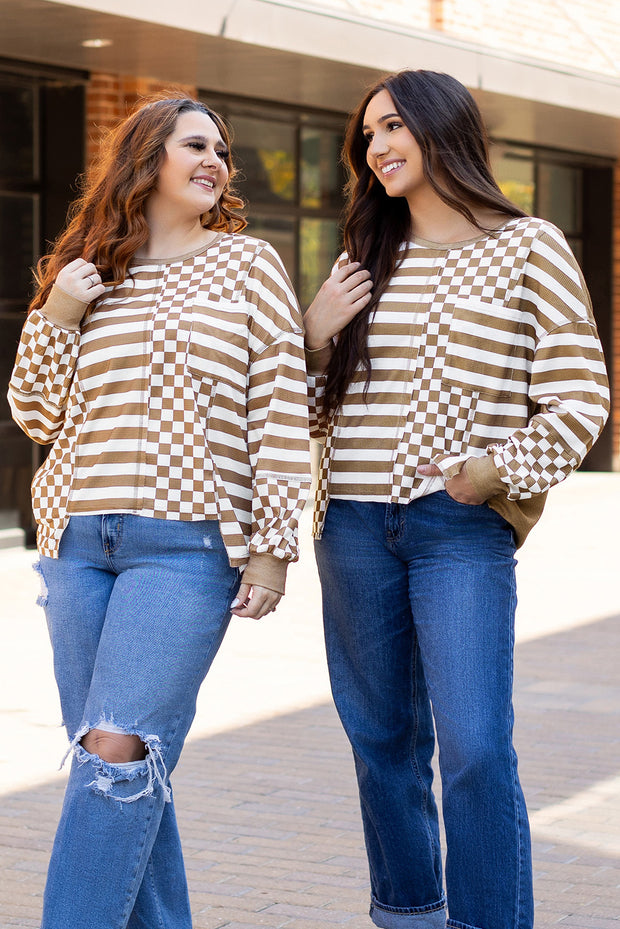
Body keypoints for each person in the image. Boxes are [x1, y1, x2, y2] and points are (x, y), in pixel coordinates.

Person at [303, 69, 609, 929]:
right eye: (368, 134)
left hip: (457, 526)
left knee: (475, 744)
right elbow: (310, 411)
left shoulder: (529, 245)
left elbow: (580, 397)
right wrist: (312, 335)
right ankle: (408, 915)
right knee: (381, 742)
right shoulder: (365, 255)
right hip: (350, 524)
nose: (377, 146)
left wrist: (493, 471)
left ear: (444, 129)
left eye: (394, 126)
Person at [8, 95, 311, 929]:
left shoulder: (248, 265)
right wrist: (60, 311)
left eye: (223, 150)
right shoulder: (87, 268)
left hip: (185, 546)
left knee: (116, 749)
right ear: (146, 157)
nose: (216, 161)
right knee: (116, 765)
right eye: (195, 145)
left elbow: (278, 410)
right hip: (78, 540)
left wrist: (273, 546)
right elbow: (34, 413)